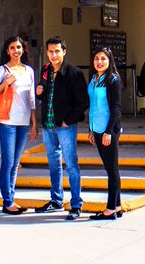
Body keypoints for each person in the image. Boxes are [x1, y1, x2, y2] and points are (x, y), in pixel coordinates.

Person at [34, 36, 89, 221]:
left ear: (64, 52)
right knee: (53, 164)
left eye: (57, 51)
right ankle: (56, 200)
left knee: (71, 165)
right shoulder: (46, 70)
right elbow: (47, 96)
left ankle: (75, 205)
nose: (54, 55)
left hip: (64, 126)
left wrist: (69, 120)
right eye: (50, 51)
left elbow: (83, 102)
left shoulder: (74, 73)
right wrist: (39, 93)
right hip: (48, 125)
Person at [0, 36, 36, 215]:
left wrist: (34, 122)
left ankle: (10, 198)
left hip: (23, 122)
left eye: (19, 47)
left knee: (15, 163)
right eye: (12, 48)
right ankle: (8, 202)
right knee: (7, 162)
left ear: (23, 50)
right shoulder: (3, 69)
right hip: (7, 122)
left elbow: (31, 98)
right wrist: (6, 83)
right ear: (7, 51)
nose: (16, 51)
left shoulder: (29, 70)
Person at [87, 47, 123, 221]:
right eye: (96, 58)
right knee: (110, 168)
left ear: (109, 61)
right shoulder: (94, 78)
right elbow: (93, 105)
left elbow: (116, 108)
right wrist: (91, 129)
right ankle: (117, 206)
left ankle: (110, 209)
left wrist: (109, 131)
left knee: (112, 169)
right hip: (97, 127)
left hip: (109, 129)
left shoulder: (112, 79)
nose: (99, 62)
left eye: (103, 58)